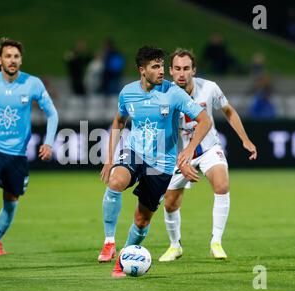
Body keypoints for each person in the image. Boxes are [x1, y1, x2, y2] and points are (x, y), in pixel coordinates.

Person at [98, 46, 212, 277]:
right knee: (115, 181)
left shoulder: (173, 93)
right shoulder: (127, 93)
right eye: (156, 66)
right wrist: (110, 159)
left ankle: (124, 259)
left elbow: (205, 120)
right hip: (135, 152)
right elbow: (118, 122)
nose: (162, 71)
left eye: (162, 65)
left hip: (162, 163)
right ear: (142, 70)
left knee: (141, 219)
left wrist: (189, 149)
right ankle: (109, 242)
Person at [158, 48, 257, 262]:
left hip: (208, 147)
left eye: (186, 68)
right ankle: (175, 246)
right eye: (177, 69)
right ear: (171, 71)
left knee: (222, 184)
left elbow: (228, 110)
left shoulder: (209, 88)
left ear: (194, 70)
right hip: (179, 153)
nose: (182, 73)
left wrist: (245, 139)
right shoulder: (163, 96)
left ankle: (216, 242)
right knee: (170, 203)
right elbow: (163, 135)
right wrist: (178, 160)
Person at [0, 37, 58, 257]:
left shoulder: (33, 83)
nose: (12, 60)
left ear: (21, 60)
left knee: (10, 204)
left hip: (17, 154)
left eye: (16, 56)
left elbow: (52, 113)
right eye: (8, 56)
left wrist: (48, 142)